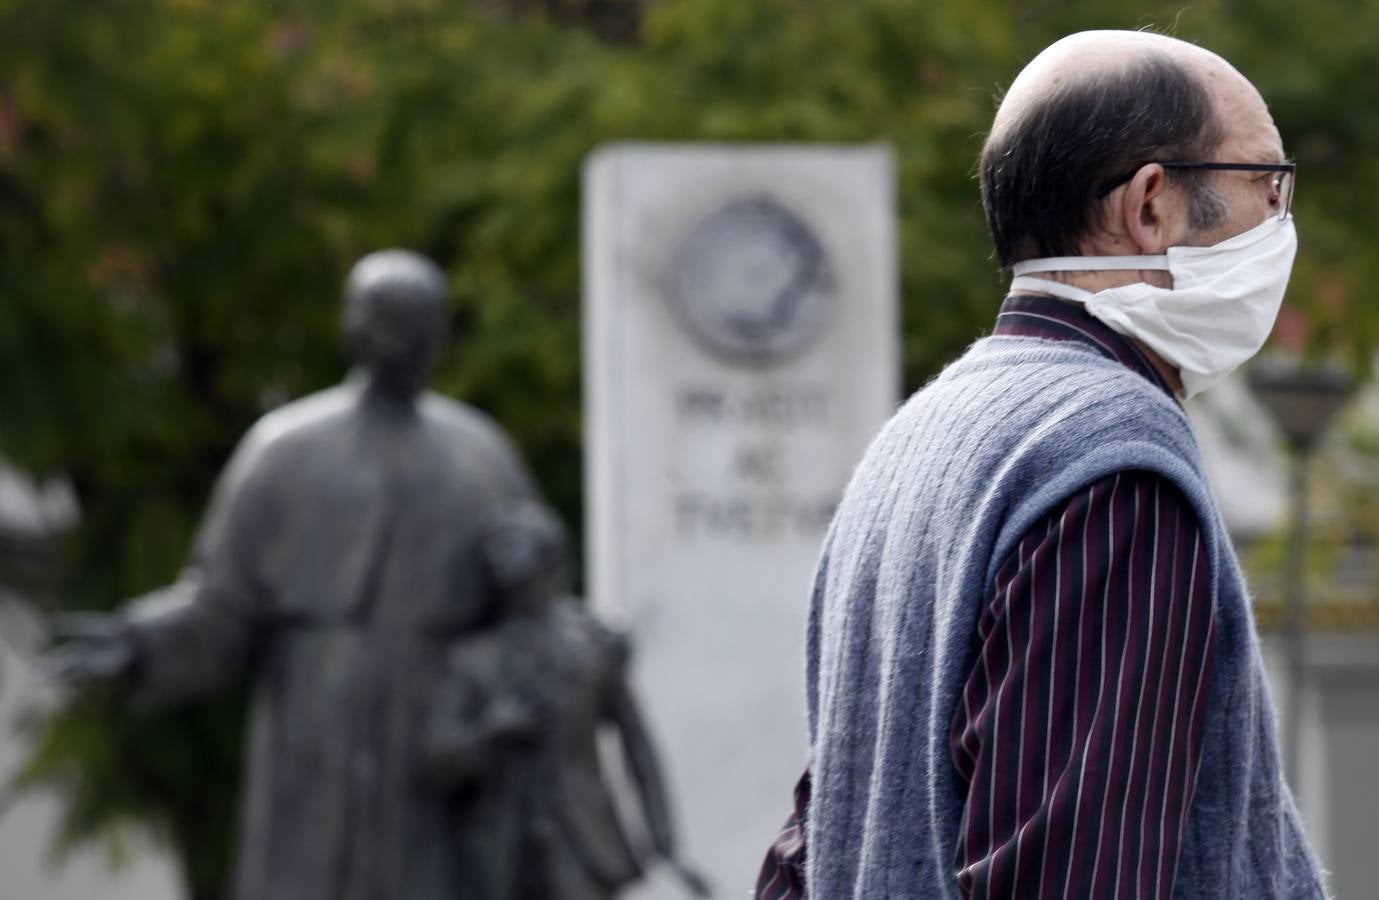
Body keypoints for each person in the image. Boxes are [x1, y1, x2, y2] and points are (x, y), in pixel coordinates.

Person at [755, 30, 1328, 899]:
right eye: (1268, 183)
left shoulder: (919, 435)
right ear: (1149, 206)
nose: (1281, 221)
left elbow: (811, 840)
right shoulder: (1109, 459)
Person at [49, 250, 538, 900]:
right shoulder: (285, 451)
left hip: (436, 718)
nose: (406, 338)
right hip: (314, 709)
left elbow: (534, 608)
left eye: (421, 321)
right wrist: (141, 642)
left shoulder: (482, 457)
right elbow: (222, 608)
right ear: (354, 327)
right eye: (389, 319)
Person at [423, 502, 710, 900]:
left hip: (582, 843)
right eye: (495, 549)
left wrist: (666, 846)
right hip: (497, 853)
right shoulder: (474, 661)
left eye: (512, 545)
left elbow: (638, 748)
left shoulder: (592, 648)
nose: (499, 558)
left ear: (546, 556)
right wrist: (492, 730)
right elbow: (438, 758)